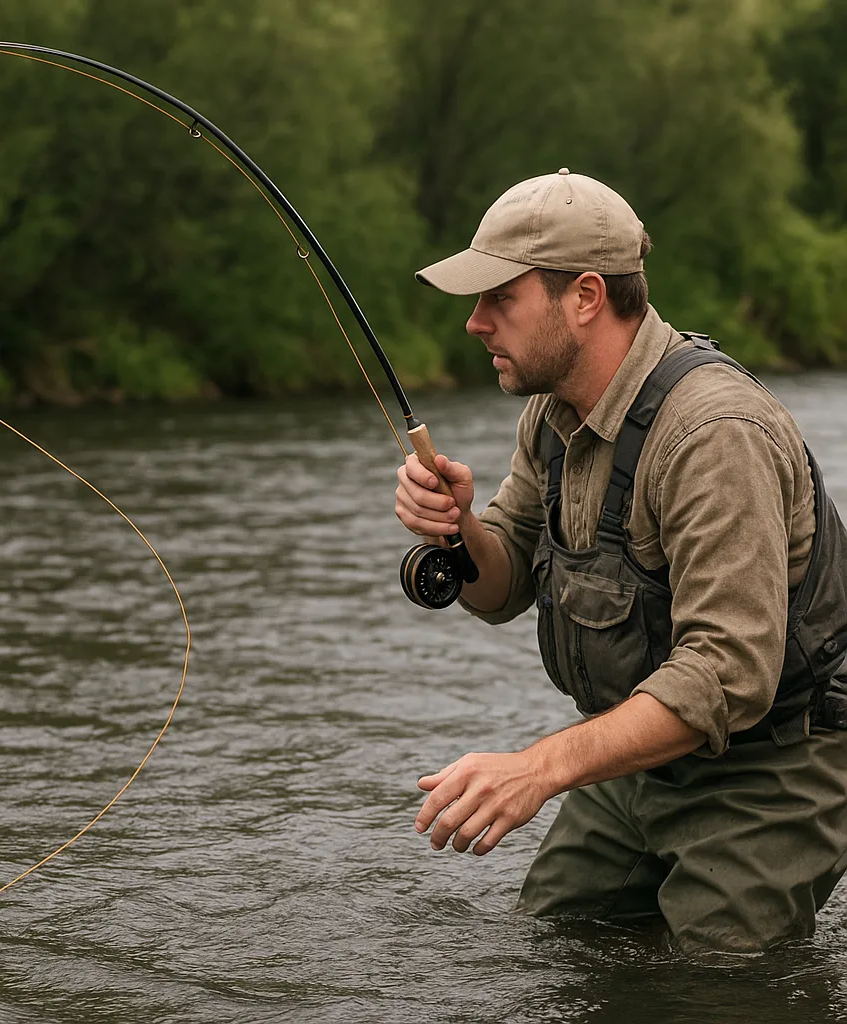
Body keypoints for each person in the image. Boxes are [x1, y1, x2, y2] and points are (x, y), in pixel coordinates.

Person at [395, 168, 847, 953]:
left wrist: (539, 769)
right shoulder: (551, 411)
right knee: (559, 948)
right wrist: (459, 527)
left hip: (777, 761)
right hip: (641, 753)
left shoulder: (714, 436)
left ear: (586, 297)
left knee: (714, 991)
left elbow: (729, 671)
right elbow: (501, 586)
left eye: (499, 297)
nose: (474, 323)